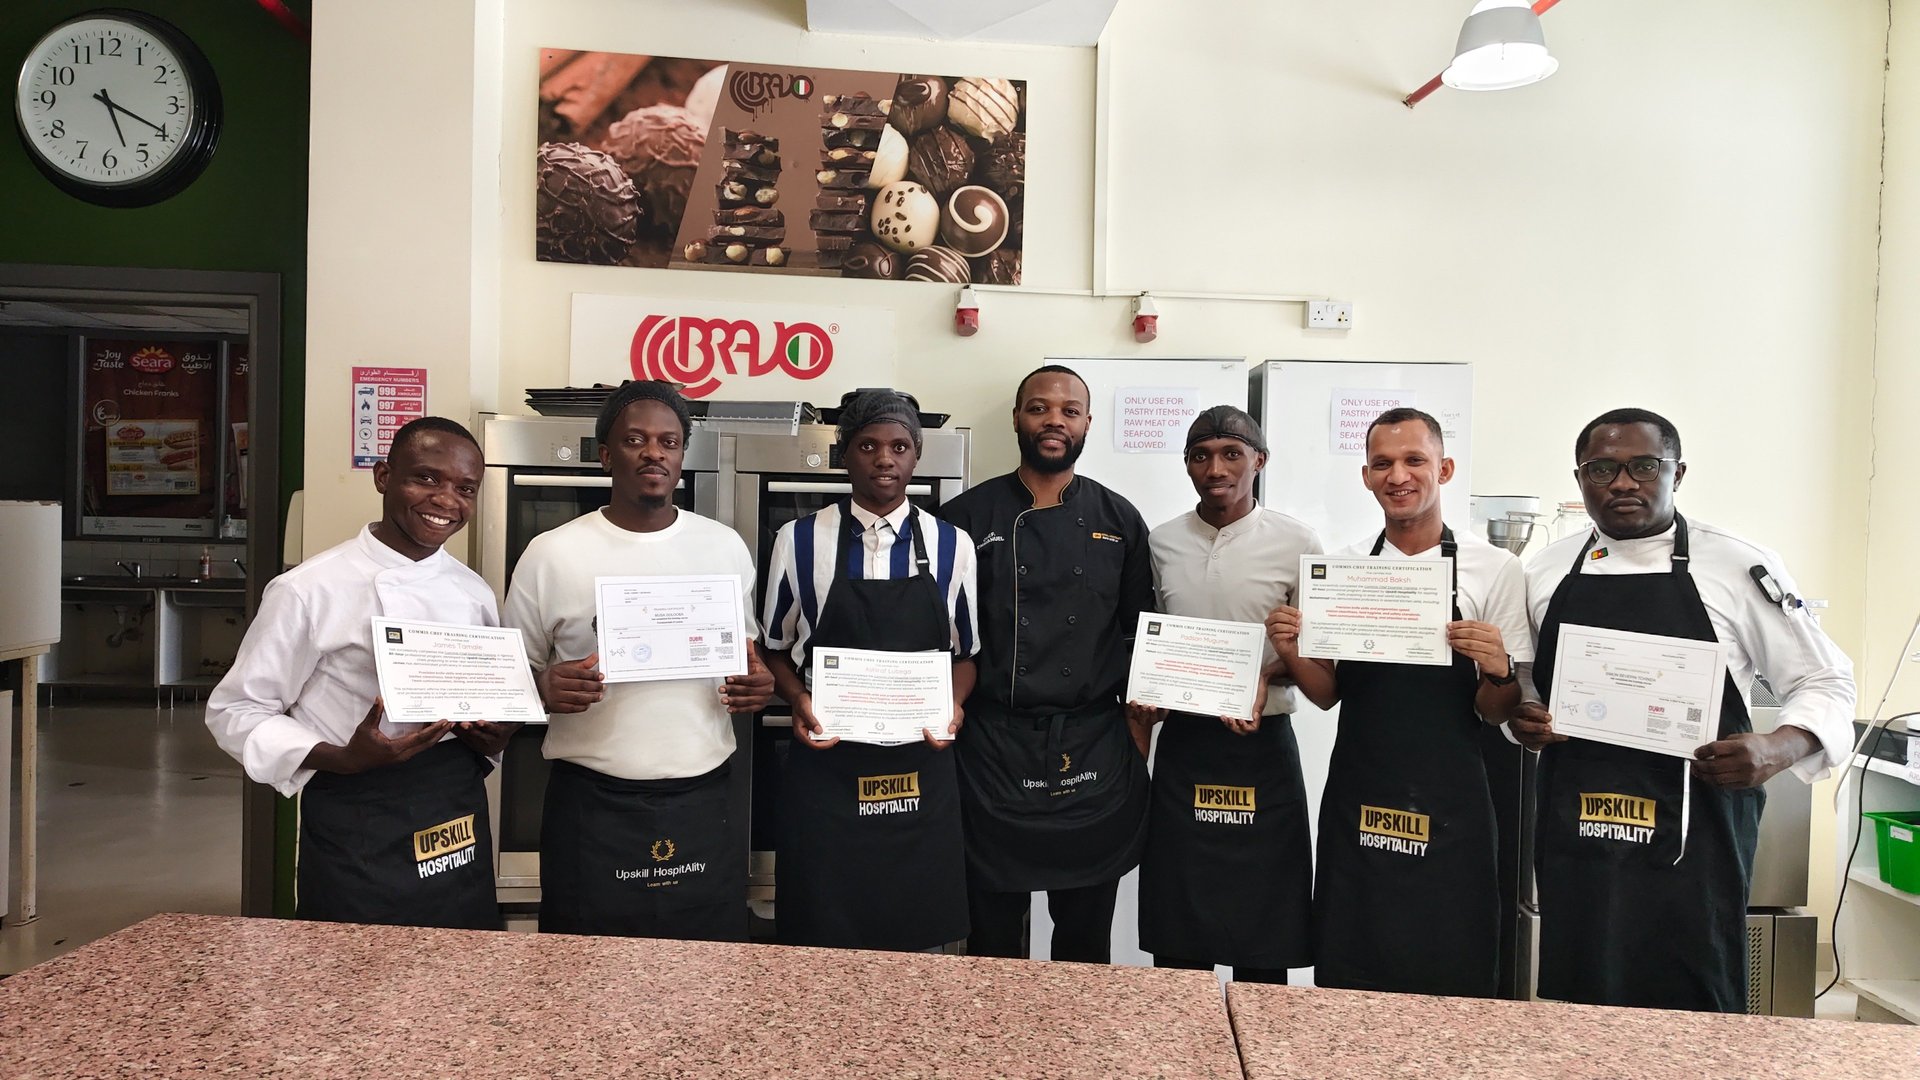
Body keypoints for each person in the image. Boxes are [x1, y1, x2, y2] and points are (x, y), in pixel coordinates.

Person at [1512, 408, 1856, 1012]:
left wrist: (1777, 748)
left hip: (1694, 831)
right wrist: (1527, 718)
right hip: (1579, 826)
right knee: (1576, 995)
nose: (1623, 483)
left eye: (1644, 466)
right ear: (1580, 479)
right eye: (1602, 470)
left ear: (1678, 472)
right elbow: (1528, 687)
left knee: (1691, 992)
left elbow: (1827, 678)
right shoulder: (1543, 570)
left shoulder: (1739, 566)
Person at [1265, 407, 1530, 997]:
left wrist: (1498, 668)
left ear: (1445, 467)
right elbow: (1329, 696)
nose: (1399, 475)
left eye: (1415, 460)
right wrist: (1292, 648)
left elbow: (1498, 710)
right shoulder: (1345, 568)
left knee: (1451, 966)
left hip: (1453, 803)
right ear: (1366, 476)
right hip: (1360, 793)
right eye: (1383, 463)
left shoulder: (1496, 570)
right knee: (1352, 959)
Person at [207, 416, 512, 929]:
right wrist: (342, 758)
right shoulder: (309, 588)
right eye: (427, 478)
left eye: (465, 488)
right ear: (383, 476)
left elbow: (485, 706)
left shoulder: (473, 591)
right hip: (358, 801)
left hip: (452, 797)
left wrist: (495, 733)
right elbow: (235, 711)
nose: (445, 500)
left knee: (463, 960)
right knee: (353, 972)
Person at [503, 380, 774, 940]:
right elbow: (509, 679)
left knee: (705, 972)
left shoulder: (723, 546)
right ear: (606, 455)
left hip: (705, 797)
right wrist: (542, 689)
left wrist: (759, 684)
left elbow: (746, 658)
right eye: (635, 439)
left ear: (681, 456)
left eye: (669, 441)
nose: (654, 452)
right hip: (594, 803)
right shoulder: (552, 553)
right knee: (584, 974)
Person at [938, 364, 1153, 964]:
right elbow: (943, 641)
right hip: (992, 749)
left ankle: (1074, 1051)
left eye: (1068, 410)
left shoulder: (1119, 520)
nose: (1053, 420)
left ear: (1087, 424)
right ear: (1016, 419)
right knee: (992, 937)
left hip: (1091, 746)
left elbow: (1139, 639)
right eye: (1038, 408)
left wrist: (1135, 739)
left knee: (1085, 938)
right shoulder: (965, 518)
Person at [762, 389, 981, 951]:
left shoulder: (953, 546)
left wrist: (953, 707)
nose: (885, 459)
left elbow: (966, 656)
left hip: (920, 764)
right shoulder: (799, 540)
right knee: (822, 938)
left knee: (920, 941)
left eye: (900, 446)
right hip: (828, 764)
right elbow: (775, 650)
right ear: (844, 455)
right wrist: (797, 701)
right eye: (868, 446)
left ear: (916, 456)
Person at [1128, 406, 1321, 982]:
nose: (1216, 468)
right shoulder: (1160, 542)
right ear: (1186, 465)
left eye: (1231, 454)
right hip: (1185, 746)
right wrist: (1149, 695)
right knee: (1179, 934)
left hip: (1262, 748)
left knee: (1264, 934)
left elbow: (1321, 656)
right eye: (1201, 455)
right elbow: (1146, 640)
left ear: (1259, 461)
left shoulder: (1297, 540)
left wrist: (1268, 677)